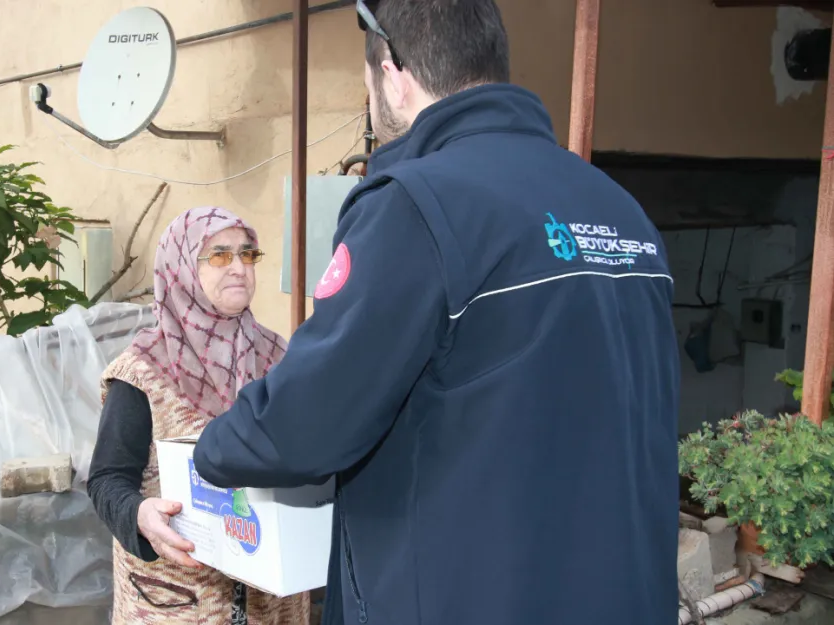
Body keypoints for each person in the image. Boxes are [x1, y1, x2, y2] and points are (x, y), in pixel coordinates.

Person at [192, 1, 680, 624]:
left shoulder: (417, 207)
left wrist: (209, 452)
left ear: (394, 71)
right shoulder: (618, 208)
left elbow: (305, 425)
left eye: (367, 80)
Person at [87, 206, 309, 625]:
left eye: (248, 254)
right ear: (182, 268)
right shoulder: (143, 372)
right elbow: (106, 479)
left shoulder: (283, 360)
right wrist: (139, 515)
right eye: (220, 255)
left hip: (272, 607)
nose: (239, 267)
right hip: (176, 602)